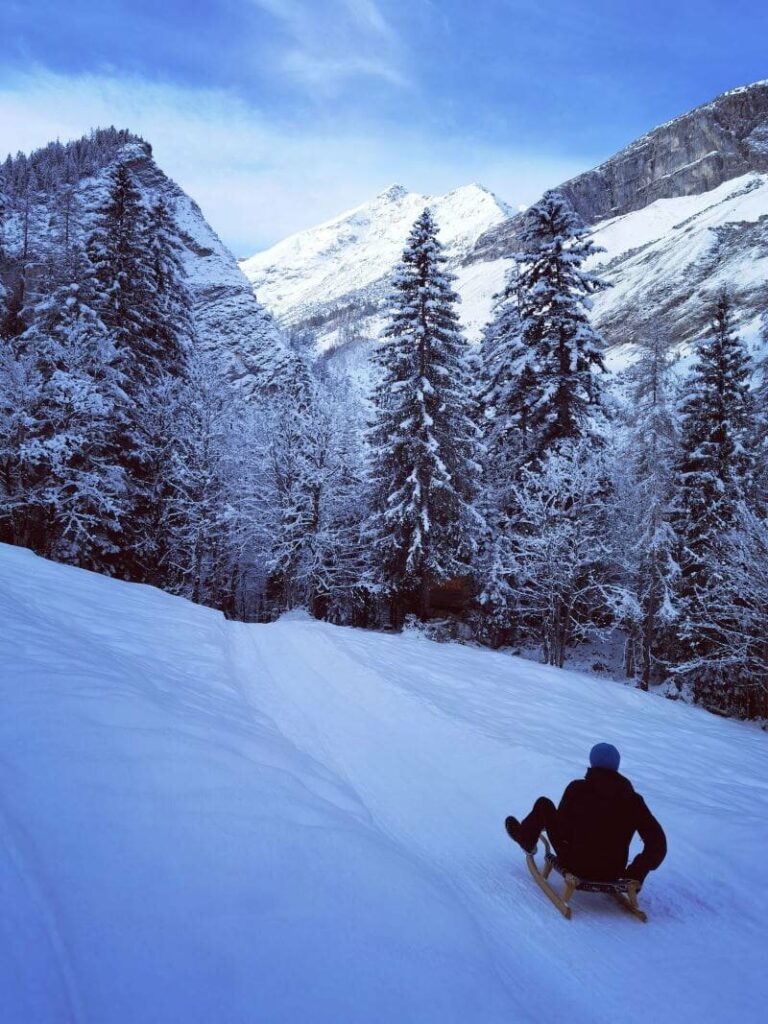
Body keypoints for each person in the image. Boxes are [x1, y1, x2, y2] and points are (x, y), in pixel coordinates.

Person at [505, 743, 666, 886]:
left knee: (544, 804)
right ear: (616, 766)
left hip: (574, 863)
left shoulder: (577, 789)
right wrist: (636, 873)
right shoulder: (634, 800)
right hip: (613, 870)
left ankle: (526, 839)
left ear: (592, 762)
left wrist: (552, 824)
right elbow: (657, 843)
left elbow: (562, 829)